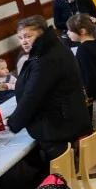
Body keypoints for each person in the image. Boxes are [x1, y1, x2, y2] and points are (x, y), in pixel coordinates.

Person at [7, 16, 90, 160]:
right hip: (67, 120)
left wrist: (14, 123)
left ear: (41, 33)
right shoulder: (52, 48)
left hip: (58, 128)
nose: (24, 41)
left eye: (28, 36)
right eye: (20, 38)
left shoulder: (47, 58)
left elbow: (33, 95)